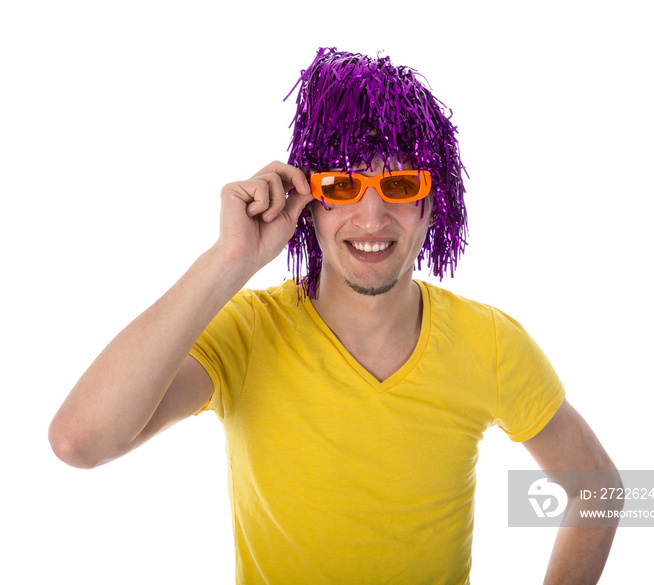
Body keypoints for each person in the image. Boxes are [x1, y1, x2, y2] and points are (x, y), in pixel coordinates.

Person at [49, 48, 621, 584]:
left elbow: (597, 490)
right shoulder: (248, 333)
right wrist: (229, 259)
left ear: (432, 206)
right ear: (308, 201)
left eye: (399, 183)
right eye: (343, 184)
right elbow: (80, 441)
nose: (371, 216)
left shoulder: (489, 342)